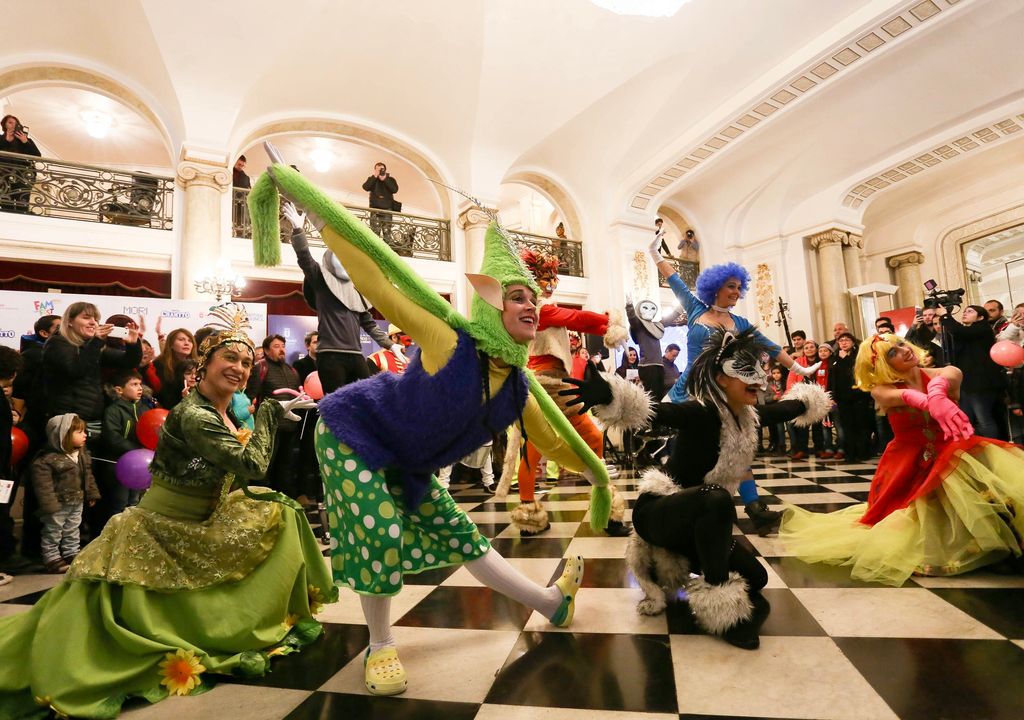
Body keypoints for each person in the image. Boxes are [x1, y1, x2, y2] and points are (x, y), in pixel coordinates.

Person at [248, 159, 646, 697]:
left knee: (464, 537)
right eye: (519, 296)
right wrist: (320, 222)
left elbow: (555, 439)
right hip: (352, 430)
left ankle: (551, 605)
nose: (533, 305)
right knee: (380, 530)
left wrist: (600, 478)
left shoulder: (518, 388)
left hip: (406, 458)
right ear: (489, 300)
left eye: (535, 297)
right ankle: (381, 645)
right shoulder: (448, 340)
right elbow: (380, 283)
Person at [0, 305, 335, 718]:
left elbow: (230, 474)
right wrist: (269, 415)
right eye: (229, 358)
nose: (240, 368)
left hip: (202, 514)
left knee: (283, 512)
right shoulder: (195, 414)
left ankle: (262, 619)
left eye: (247, 362)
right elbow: (251, 465)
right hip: (165, 523)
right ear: (204, 364)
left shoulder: (220, 409)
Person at [563, 327, 829, 649]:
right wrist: (609, 395)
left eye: (758, 369)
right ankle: (722, 611)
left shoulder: (748, 417)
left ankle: (684, 566)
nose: (760, 379)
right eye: (747, 371)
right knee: (716, 499)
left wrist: (808, 401)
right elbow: (659, 412)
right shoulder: (701, 411)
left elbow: (786, 409)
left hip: (697, 518)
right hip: (660, 513)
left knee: (756, 578)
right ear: (722, 378)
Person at [780, 333, 1024, 586]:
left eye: (900, 344)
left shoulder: (947, 370)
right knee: (907, 516)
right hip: (908, 460)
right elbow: (901, 397)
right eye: (892, 352)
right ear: (882, 364)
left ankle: (1002, 547)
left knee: (989, 498)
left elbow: (950, 376)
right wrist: (927, 399)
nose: (903, 350)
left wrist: (938, 393)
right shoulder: (881, 390)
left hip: (954, 452)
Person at [650, 241, 819, 533]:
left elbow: (770, 345)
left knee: (736, 446)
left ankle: (754, 508)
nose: (736, 292)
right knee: (691, 451)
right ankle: (679, 503)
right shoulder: (694, 308)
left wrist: (799, 368)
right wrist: (655, 254)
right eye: (731, 286)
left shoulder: (740, 322)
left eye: (739, 288)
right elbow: (673, 278)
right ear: (715, 287)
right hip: (691, 390)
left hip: (724, 390)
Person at [496, 247, 631, 538]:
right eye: (545, 278)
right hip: (547, 388)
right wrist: (610, 321)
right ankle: (600, 508)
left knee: (535, 451)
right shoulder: (539, 309)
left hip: (549, 387)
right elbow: (577, 319)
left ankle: (536, 513)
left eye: (552, 279)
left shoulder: (534, 310)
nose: (551, 284)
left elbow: (574, 321)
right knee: (547, 449)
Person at [281, 201, 399, 394]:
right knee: (336, 404)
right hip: (330, 355)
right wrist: (298, 230)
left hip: (356, 355)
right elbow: (305, 259)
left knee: (364, 401)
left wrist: (391, 345)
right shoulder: (321, 280)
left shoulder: (357, 290)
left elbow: (369, 324)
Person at [30, 413, 99, 573]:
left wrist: (92, 494)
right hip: (58, 504)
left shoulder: (81, 456)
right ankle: (51, 557)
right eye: (79, 432)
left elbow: (88, 476)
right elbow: (43, 487)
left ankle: (70, 553)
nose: (85, 435)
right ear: (63, 435)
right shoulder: (46, 461)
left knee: (73, 528)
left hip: (77, 500)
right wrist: (50, 506)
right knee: (53, 530)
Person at [938, 304, 1006, 439]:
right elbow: (957, 333)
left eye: (970, 311)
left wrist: (945, 316)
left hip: (981, 383)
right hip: (967, 383)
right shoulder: (968, 332)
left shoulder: (983, 328)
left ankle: (993, 447)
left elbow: (959, 331)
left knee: (984, 419)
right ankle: (972, 446)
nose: (965, 313)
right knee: (966, 418)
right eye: (964, 311)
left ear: (980, 317)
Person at [246, 334, 302, 498]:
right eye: (276, 346)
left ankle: (283, 500)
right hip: (268, 429)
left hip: (290, 428)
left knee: (286, 467)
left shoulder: (292, 370)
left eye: (283, 345)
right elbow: (251, 397)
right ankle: (261, 499)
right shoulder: (260, 368)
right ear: (266, 350)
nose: (282, 349)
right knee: (266, 467)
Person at [101, 370, 151, 513]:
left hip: (140, 467)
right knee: (120, 503)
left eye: (140, 384)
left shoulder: (145, 409)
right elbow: (112, 437)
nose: (140, 388)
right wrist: (136, 449)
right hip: (119, 465)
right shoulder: (114, 410)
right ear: (119, 390)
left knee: (136, 503)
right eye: (134, 384)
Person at [829, 332, 873, 462]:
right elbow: (832, 378)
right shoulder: (836, 357)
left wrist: (845, 359)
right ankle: (850, 453)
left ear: (853, 342)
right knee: (846, 425)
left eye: (846, 340)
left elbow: (854, 371)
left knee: (861, 424)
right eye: (841, 340)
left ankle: (863, 452)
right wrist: (831, 395)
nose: (843, 342)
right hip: (842, 398)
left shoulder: (858, 355)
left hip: (859, 396)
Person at [0, 114, 41, 213]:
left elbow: (37, 156)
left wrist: (25, 141)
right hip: (3, 176)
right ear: (4, 125)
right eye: (10, 122)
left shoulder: (26, 139)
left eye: (16, 123)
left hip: (23, 176)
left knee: (22, 202)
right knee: (5, 203)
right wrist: (7, 140)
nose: (13, 125)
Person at [152, 328, 198, 411]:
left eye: (190, 341)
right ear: (171, 345)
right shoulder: (159, 364)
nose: (186, 343)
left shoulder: (197, 365)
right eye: (181, 340)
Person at [362, 161, 399, 240]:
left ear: (385, 170)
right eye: (377, 169)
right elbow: (365, 187)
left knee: (387, 233)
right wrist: (374, 177)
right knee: (374, 233)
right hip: (375, 210)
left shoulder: (390, 179)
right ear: (375, 170)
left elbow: (394, 190)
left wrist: (385, 179)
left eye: (381, 169)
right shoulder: (372, 179)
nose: (380, 171)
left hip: (387, 210)